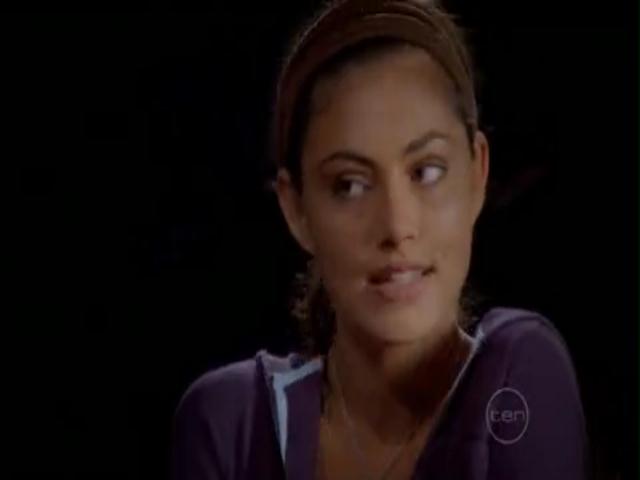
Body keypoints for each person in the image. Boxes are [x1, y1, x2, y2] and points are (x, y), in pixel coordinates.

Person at [170, 1, 589, 479]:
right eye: (350, 185)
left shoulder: (517, 385)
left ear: (478, 174)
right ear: (296, 209)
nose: (396, 226)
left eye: (427, 172)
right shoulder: (233, 427)